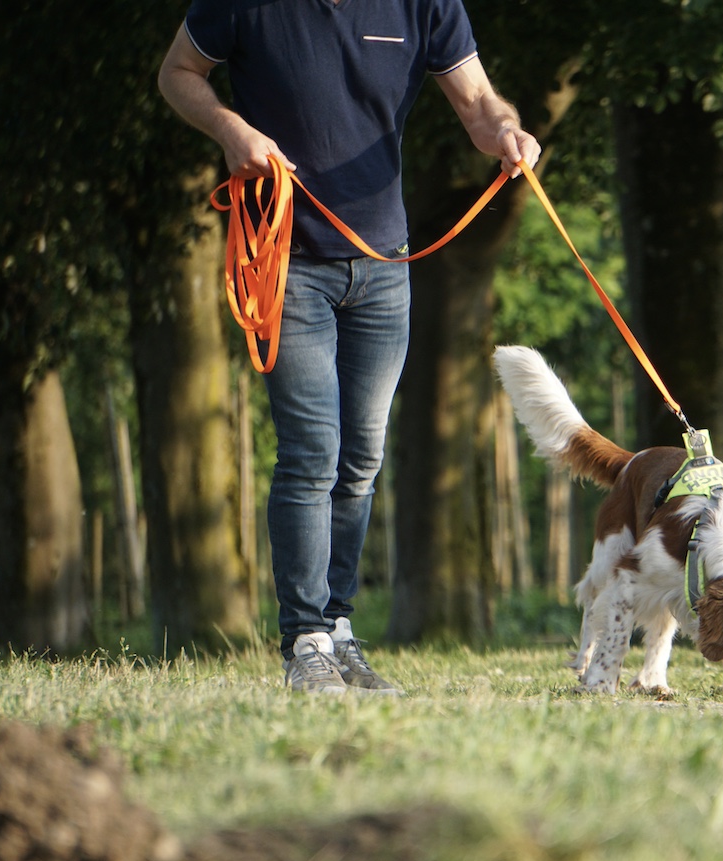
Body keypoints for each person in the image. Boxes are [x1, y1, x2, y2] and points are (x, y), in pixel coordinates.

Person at [158, 0, 540, 695]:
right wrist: (229, 128)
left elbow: (480, 102)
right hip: (285, 263)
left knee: (361, 458)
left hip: (384, 265)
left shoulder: (425, 5)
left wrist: (508, 134)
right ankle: (303, 639)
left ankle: (337, 629)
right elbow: (178, 71)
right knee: (311, 451)